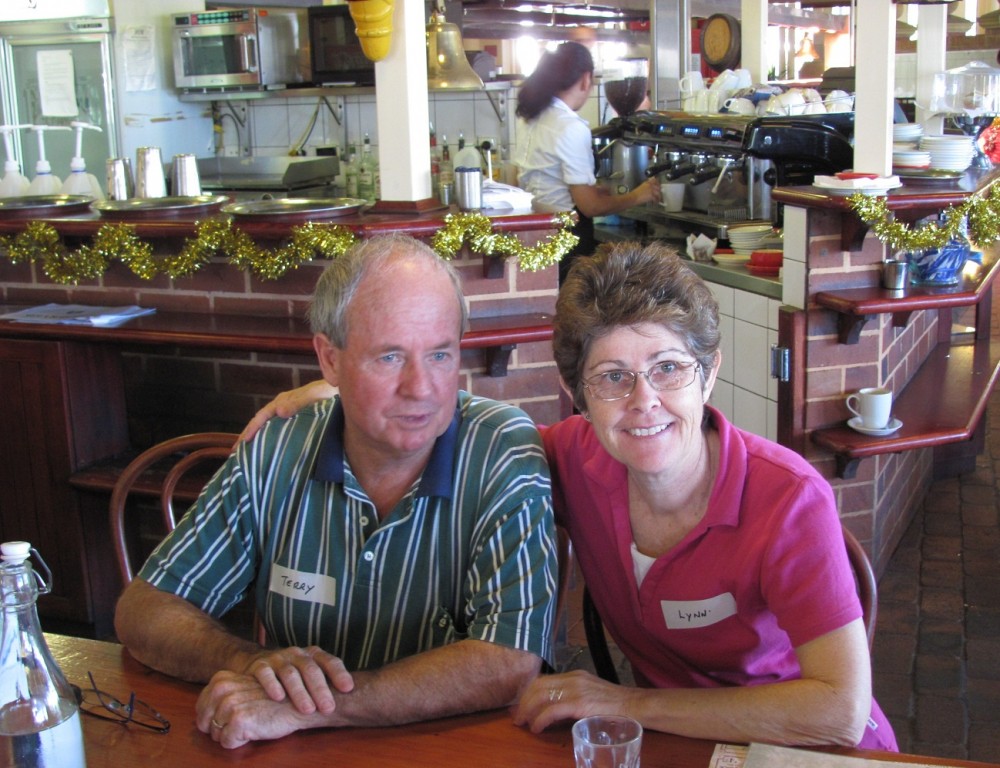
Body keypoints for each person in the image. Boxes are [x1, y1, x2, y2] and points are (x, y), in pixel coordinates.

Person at [242, 242, 897, 751]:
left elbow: (838, 711)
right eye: (612, 377)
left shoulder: (788, 501)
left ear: (709, 373)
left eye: (669, 368)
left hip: (807, 749)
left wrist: (626, 704)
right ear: (577, 394)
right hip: (679, 744)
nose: (644, 402)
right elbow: (454, 427)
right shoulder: (576, 460)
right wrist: (343, 394)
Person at [114, 234, 558, 750]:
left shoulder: (502, 449)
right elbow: (144, 608)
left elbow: (510, 660)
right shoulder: (278, 450)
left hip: (451, 749)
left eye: (440, 354)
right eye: (390, 357)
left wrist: (307, 707)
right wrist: (257, 666)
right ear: (329, 360)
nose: (421, 388)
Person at [515, 42, 660, 281]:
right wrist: (639, 195)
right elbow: (590, 207)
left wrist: (593, 190)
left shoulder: (531, 118)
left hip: (535, 233)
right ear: (585, 79)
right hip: (565, 241)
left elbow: (542, 180)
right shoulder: (570, 126)